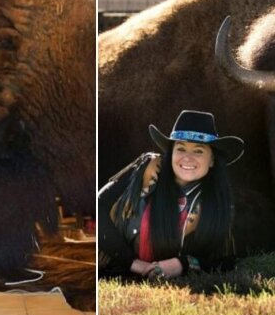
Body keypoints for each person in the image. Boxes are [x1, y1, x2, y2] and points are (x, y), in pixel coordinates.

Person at [98, 110, 244, 279]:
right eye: (181, 149)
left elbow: (226, 260)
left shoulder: (219, 203)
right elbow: (99, 204)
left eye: (198, 151)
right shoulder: (145, 170)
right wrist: (131, 262)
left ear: (211, 160)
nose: (187, 158)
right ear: (171, 153)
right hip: (118, 266)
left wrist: (182, 264)